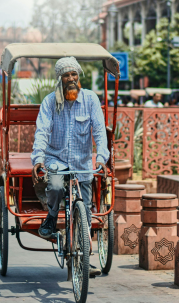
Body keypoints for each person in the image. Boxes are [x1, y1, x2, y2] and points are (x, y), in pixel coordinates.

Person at [31, 57, 108, 276]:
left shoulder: (90, 99)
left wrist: (101, 158)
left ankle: (85, 258)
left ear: (78, 76)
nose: (71, 79)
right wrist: (38, 159)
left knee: (85, 213)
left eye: (74, 74)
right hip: (56, 159)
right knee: (55, 185)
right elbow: (42, 132)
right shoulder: (49, 102)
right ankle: (52, 217)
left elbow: (100, 132)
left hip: (82, 163)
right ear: (60, 78)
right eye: (66, 75)